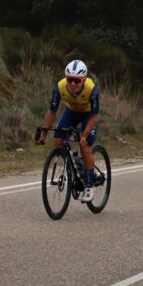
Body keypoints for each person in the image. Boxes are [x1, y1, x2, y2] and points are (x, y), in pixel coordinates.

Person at [35, 60, 101, 203]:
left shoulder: (91, 90)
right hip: (71, 112)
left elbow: (95, 117)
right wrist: (44, 133)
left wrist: (84, 135)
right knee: (58, 141)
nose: (72, 84)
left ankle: (89, 185)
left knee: (84, 146)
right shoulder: (59, 87)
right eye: (69, 79)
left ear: (83, 80)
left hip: (88, 115)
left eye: (76, 81)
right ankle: (73, 164)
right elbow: (51, 112)